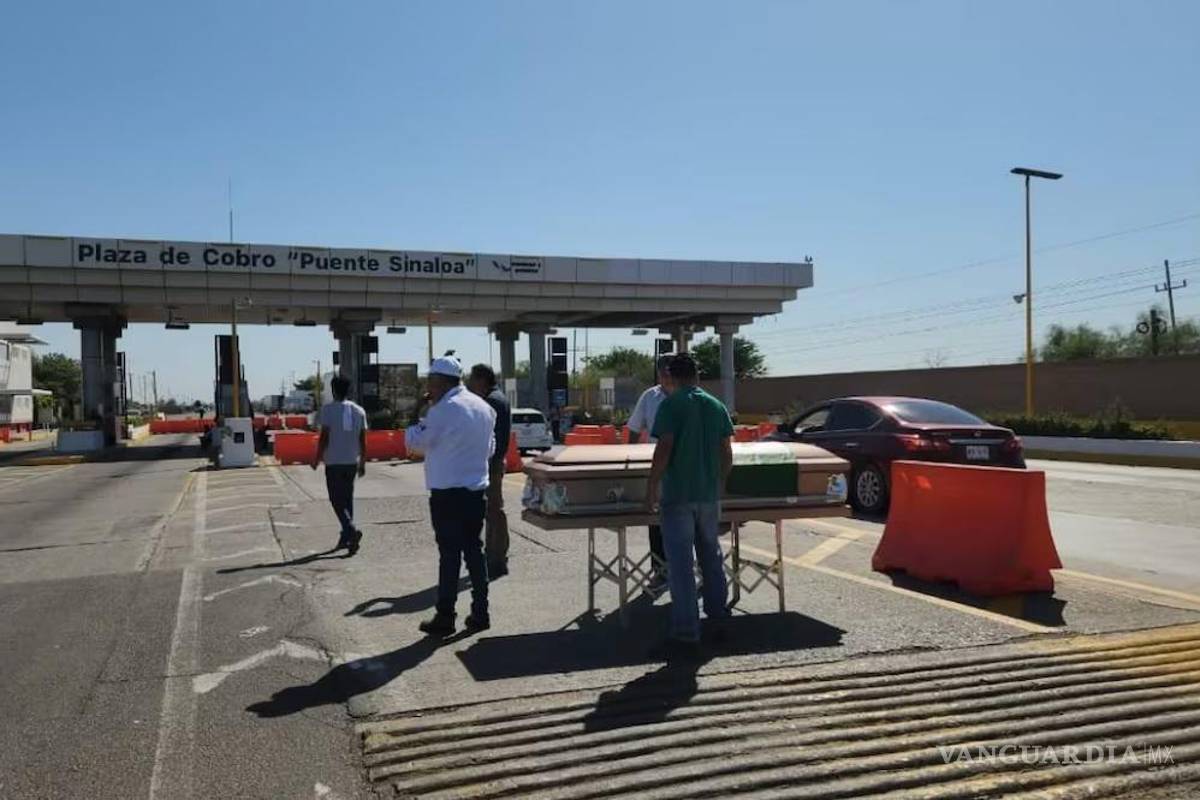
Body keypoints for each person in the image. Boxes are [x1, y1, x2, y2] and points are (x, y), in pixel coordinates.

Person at [646, 352, 734, 656]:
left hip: (678, 495)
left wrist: (651, 486)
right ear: (697, 375)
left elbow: (664, 447)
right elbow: (727, 452)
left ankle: (686, 631)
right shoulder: (716, 405)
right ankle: (719, 617)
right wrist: (718, 483)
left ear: (671, 376)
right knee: (711, 554)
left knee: (681, 564)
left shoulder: (671, 405)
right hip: (708, 496)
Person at [405, 356, 497, 636]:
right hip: (475, 491)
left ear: (440, 381)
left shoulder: (443, 409)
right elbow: (490, 449)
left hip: (447, 494)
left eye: (430, 382)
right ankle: (480, 613)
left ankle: (445, 616)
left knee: (449, 555)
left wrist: (416, 413)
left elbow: (414, 444)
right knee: (474, 552)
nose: (428, 387)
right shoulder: (483, 407)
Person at [627, 356, 674, 589]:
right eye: (662, 372)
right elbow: (635, 428)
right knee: (656, 521)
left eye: (669, 372)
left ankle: (693, 570)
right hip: (656, 462)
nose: (665, 376)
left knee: (687, 521)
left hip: (684, 464)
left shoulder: (690, 396)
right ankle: (660, 570)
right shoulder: (649, 397)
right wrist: (630, 457)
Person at [312, 375, 367, 556]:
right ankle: (347, 539)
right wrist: (363, 462)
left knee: (336, 500)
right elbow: (362, 439)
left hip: (334, 462)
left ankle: (351, 530)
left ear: (333, 390)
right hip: (351, 461)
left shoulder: (328, 410)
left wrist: (317, 458)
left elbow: (324, 437)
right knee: (347, 499)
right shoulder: (359, 411)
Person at [466, 363, 511, 578]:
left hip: (491, 464)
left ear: (482, 380)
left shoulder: (492, 401)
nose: (470, 383)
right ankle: (493, 554)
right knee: (491, 511)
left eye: (472, 379)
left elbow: (495, 438)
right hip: (493, 462)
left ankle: (497, 558)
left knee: (494, 510)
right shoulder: (496, 398)